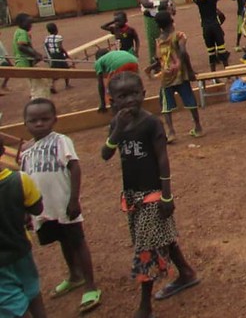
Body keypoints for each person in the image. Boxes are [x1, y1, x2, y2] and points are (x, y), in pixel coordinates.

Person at [101, 72, 200, 318]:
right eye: (122, 96)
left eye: (134, 93)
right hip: (132, 195)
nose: (129, 100)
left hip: (153, 194)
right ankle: (186, 273)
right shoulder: (116, 124)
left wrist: (167, 195)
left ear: (144, 94)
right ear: (112, 100)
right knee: (161, 236)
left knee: (145, 247)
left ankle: (144, 307)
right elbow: (105, 153)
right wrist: (117, 132)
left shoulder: (151, 123)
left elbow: (162, 159)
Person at [20, 98, 101, 314]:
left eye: (45, 119)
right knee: (61, 240)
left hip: (65, 203)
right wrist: (28, 210)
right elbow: (25, 180)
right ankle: (75, 276)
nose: (39, 124)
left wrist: (74, 199)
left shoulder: (61, 141)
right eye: (33, 120)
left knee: (77, 240)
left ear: (54, 120)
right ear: (25, 123)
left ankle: (91, 285)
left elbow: (74, 168)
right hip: (45, 208)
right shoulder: (26, 151)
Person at [0, 137, 47, 318]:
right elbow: (37, 208)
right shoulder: (20, 179)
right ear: (3, 150)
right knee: (32, 290)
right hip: (21, 247)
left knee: (11, 305)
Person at [149, 11, 203, 142]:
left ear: (158, 26)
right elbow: (183, 53)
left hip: (166, 77)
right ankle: (198, 127)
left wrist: (153, 67)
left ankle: (171, 132)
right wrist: (190, 70)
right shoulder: (179, 36)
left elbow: (160, 59)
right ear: (172, 21)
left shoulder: (159, 41)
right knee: (190, 100)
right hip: (181, 75)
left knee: (166, 105)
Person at [189, 0, 230, 73]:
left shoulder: (198, 1)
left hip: (206, 28)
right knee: (222, 51)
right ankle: (228, 74)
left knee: (211, 53)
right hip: (215, 27)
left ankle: (214, 77)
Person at [137, 0, 172, 69]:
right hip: (151, 18)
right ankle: (154, 62)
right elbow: (146, 4)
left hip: (164, 17)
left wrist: (172, 7)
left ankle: (169, 58)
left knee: (167, 37)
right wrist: (160, 3)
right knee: (153, 40)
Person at [13, 13, 49, 99]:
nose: (31, 25)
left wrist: (38, 55)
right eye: (28, 23)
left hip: (22, 62)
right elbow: (21, 46)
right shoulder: (23, 33)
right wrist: (36, 55)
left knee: (34, 83)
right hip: (24, 62)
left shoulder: (17, 32)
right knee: (38, 83)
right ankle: (37, 100)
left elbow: (26, 48)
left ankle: (35, 97)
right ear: (21, 23)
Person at [43, 22, 72, 93]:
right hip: (59, 55)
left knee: (54, 71)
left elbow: (47, 47)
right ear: (56, 29)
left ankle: (52, 85)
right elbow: (60, 47)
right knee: (66, 69)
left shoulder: (46, 38)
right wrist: (66, 55)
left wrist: (49, 56)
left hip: (52, 56)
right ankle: (67, 84)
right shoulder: (59, 37)